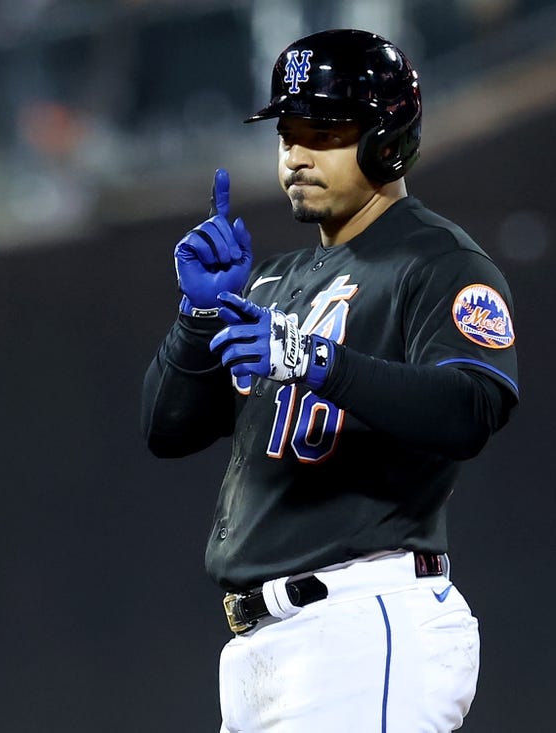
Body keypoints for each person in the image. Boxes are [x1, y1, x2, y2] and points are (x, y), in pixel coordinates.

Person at [142, 28, 519, 732]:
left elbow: (471, 408)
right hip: (262, 648)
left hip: (363, 622)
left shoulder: (437, 262)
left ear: (387, 137)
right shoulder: (277, 280)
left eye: (324, 129)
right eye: (288, 131)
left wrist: (317, 360)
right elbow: (166, 428)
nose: (296, 153)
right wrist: (198, 315)